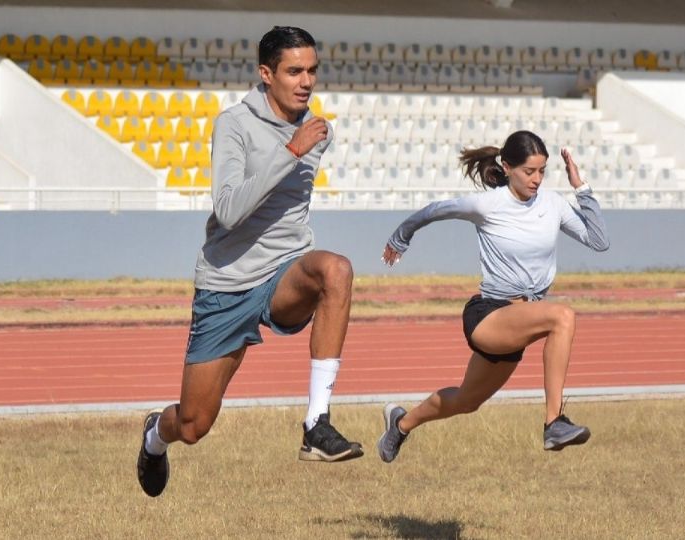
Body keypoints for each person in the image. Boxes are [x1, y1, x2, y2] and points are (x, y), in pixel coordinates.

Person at [137, 26, 363, 498]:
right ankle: (156, 435)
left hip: (284, 272)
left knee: (335, 269)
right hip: (227, 282)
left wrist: (300, 144)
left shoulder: (318, 130)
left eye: (313, 71)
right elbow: (229, 211)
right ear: (266, 74)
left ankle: (316, 423)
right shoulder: (234, 124)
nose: (307, 81)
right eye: (294, 71)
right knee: (195, 424)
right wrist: (290, 152)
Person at [376, 130, 610, 463]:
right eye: (529, 171)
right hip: (489, 315)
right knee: (563, 317)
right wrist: (401, 237)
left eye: (542, 171)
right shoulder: (488, 204)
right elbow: (433, 211)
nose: (537, 179)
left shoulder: (553, 203)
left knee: (467, 401)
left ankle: (400, 424)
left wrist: (581, 188)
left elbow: (599, 241)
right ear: (507, 167)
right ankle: (553, 422)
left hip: (519, 323)